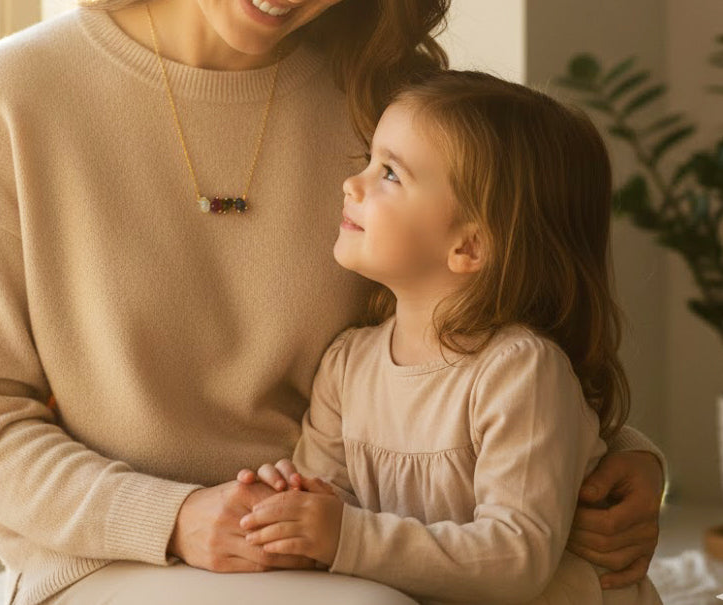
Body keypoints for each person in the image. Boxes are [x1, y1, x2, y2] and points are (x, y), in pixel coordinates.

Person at [0, 0, 664, 605]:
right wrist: (177, 516)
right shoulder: (15, 95)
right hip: (115, 553)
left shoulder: (384, 97)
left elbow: (488, 323)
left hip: (365, 529)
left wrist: (624, 461)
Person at [237, 71, 662, 604]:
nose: (352, 184)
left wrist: (344, 535)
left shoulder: (521, 372)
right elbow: (333, 508)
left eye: (390, 173)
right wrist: (292, 506)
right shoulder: (346, 367)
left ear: (470, 246)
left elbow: (516, 558)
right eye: (368, 160)